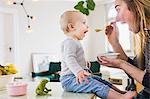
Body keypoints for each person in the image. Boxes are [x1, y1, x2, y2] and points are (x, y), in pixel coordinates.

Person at [59, 10, 136, 99]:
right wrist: (78, 71)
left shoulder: (74, 42)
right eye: (84, 23)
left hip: (74, 77)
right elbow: (69, 59)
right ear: (72, 27)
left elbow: (74, 58)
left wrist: (83, 64)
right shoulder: (69, 42)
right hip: (70, 80)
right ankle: (120, 97)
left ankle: (121, 93)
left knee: (100, 81)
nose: (87, 26)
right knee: (95, 85)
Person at [98, 0, 150, 98]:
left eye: (118, 9)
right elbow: (136, 69)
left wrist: (122, 64)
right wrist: (114, 42)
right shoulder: (148, 37)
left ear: (136, 6)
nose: (117, 18)